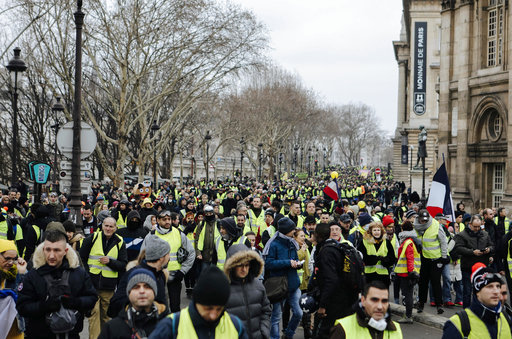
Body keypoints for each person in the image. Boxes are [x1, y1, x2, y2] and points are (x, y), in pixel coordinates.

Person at [16, 230, 97, 339]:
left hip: (71, 335)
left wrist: (75, 302)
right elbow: (22, 307)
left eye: (57, 250)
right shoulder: (33, 275)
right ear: (43, 249)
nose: (52, 255)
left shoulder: (78, 273)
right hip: (39, 335)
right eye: (48, 250)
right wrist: (44, 306)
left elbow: (92, 299)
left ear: (65, 251)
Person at [149, 265, 247, 339]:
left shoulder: (235, 326)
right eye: (208, 308)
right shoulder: (171, 327)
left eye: (219, 309)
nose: (213, 315)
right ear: (196, 301)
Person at [80, 216, 128, 339]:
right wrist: (87, 276)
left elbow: (123, 264)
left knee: (106, 316)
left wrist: (110, 262)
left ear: (115, 228)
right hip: (92, 285)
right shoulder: (92, 238)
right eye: (106, 225)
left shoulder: (120, 242)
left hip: (109, 286)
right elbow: (81, 259)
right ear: (102, 226)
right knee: (93, 315)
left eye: (111, 226)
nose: (108, 228)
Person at [309, 223, 359, 339]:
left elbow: (331, 280)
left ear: (318, 235)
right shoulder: (335, 247)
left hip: (334, 303)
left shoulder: (327, 251)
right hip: (345, 300)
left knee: (322, 333)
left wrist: (323, 306)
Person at [142, 209, 195, 313]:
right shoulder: (151, 235)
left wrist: (183, 271)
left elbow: (191, 253)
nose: (167, 222)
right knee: (158, 307)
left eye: (169, 219)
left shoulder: (179, 234)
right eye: (164, 219)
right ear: (157, 220)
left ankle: (174, 328)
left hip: (175, 276)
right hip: (157, 276)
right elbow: (142, 255)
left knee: (175, 307)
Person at [108, 234, 171, 318]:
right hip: (133, 326)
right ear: (161, 257)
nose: (169, 258)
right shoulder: (134, 275)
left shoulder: (161, 275)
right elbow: (114, 307)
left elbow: (163, 304)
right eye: (168, 254)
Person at [442, 263, 511, 338]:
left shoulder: (506, 318)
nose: (496, 291)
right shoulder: (457, 324)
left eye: (498, 286)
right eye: (489, 287)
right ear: (477, 292)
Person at [99, 268, 168, 339]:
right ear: (129, 293)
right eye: (136, 287)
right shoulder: (112, 328)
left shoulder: (169, 326)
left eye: (147, 287)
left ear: (154, 292)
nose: (142, 291)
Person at [263, 217, 303, 339]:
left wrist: (297, 264)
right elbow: (269, 264)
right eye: (292, 230)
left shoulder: (291, 242)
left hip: (293, 285)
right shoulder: (274, 244)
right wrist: (288, 262)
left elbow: (294, 259)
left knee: (298, 313)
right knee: (276, 317)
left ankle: (288, 334)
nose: (294, 232)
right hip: (279, 286)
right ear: (286, 231)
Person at [224, 244, 271, 339]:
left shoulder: (258, 286)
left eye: (247, 265)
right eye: (240, 265)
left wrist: (264, 331)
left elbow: (266, 311)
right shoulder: (223, 289)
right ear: (232, 266)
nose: (244, 269)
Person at [330, 280, 403, 338]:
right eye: (374, 300)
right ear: (363, 301)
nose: (380, 307)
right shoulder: (343, 328)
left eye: (384, 301)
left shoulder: (396, 328)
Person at [453, 214, 494, 308]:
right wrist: (472, 252)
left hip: (481, 267)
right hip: (468, 266)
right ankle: (467, 312)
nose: (477, 228)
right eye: (475, 226)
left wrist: (489, 250)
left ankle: (479, 311)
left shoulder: (485, 234)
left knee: (480, 291)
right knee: (467, 291)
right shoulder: (462, 235)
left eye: (479, 226)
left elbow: (492, 245)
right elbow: (458, 248)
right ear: (470, 224)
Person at [414, 209, 449, 314]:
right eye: (422, 220)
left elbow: (443, 241)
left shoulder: (436, 225)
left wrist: (444, 256)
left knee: (435, 281)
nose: (423, 222)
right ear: (418, 219)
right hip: (424, 257)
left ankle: (439, 305)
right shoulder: (416, 226)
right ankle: (421, 303)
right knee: (422, 282)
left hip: (436, 258)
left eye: (425, 220)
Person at [394, 221, 420, 324]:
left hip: (406, 273)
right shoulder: (411, 240)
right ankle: (408, 315)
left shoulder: (407, 241)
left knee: (408, 295)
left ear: (402, 229)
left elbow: (410, 258)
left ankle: (408, 316)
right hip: (407, 272)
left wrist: (411, 273)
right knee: (408, 294)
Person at [0, 239, 27, 339]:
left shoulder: (17, 274)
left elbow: (25, 296)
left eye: (14, 259)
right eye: (7, 258)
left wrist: (22, 273)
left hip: (15, 332)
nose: (11, 263)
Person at [358, 222, 395, 287]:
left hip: (383, 276)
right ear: (370, 231)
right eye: (374, 230)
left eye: (378, 230)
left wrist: (385, 260)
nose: (376, 232)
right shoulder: (364, 242)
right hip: (369, 276)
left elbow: (392, 258)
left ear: (381, 231)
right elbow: (360, 257)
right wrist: (374, 259)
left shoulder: (386, 242)